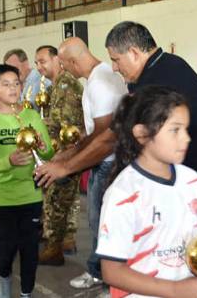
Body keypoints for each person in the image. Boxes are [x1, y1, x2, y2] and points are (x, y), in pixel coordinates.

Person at [51, 23, 197, 195]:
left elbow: (112, 138)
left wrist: (66, 167)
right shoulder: (165, 66)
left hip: (193, 184)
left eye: (116, 60)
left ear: (133, 53)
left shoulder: (154, 80)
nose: (114, 68)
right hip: (185, 179)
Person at [96, 85, 197, 298]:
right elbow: (111, 271)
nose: (186, 138)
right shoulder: (123, 193)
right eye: (175, 130)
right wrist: (174, 290)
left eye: (186, 129)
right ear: (142, 134)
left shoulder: (190, 179)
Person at [35, 37, 127, 293]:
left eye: (64, 64)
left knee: (101, 223)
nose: (64, 70)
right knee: (99, 221)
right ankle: (101, 271)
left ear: (74, 61)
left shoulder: (99, 83)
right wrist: (69, 154)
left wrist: (69, 161)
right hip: (108, 160)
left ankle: (110, 279)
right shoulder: (102, 76)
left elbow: (103, 135)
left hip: (107, 162)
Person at [0, 64, 54, 298]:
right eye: (5, 84)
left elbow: (48, 154)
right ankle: (4, 282)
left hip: (29, 194)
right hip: (0, 196)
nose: (13, 88)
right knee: (5, 249)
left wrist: (43, 147)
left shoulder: (31, 115)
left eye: (16, 83)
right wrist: (9, 160)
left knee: (30, 250)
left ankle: (26, 293)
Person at [34, 45, 84, 265]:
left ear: (57, 60)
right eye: (36, 62)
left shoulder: (66, 84)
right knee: (66, 198)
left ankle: (54, 248)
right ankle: (65, 241)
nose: (39, 66)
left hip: (66, 152)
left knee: (54, 199)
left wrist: (60, 158)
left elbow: (67, 126)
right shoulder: (57, 85)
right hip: (64, 151)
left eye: (43, 61)